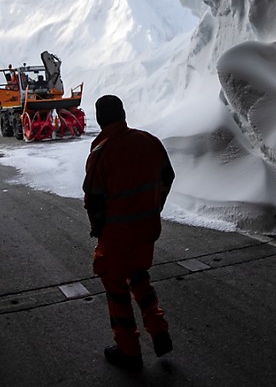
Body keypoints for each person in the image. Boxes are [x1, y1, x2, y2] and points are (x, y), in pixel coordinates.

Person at [82, 94, 175, 370]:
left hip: (116, 235)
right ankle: (159, 331)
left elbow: (93, 199)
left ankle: (129, 351)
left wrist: (99, 229)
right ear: (123, 114)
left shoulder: (101, 153)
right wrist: (155, 207)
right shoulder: (150, 141)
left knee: (116, 289)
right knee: (138, 275)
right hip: (147, 230)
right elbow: (167, 176)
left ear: (99, 120)